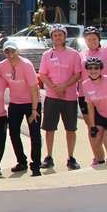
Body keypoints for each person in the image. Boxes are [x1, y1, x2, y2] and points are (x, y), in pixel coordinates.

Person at [39, 24, 84, 171]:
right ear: (51, 37)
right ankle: (49, 156)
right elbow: (43, 75)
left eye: (60, 34)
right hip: (52, 97)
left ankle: (71, 157)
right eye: (55, 35)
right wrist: (54, 88)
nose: (58, 37)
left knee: (71, 129)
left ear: (65, 36)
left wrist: (63, 87)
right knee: (49, 128)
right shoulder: (47, 55)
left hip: (69, 97)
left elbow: (77, 74)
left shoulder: (74, 54)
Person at [0, 41, 42, 176]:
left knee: (34, 134)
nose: (10, 54)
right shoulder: (2, 66)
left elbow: (34, 89)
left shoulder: (26, 65)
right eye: (7, 52)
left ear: (17, 51)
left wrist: (34, 110)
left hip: (32, 103)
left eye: (12, 51)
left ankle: (36, 165)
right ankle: (22, 161)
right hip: (15, 103)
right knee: (14, 133)